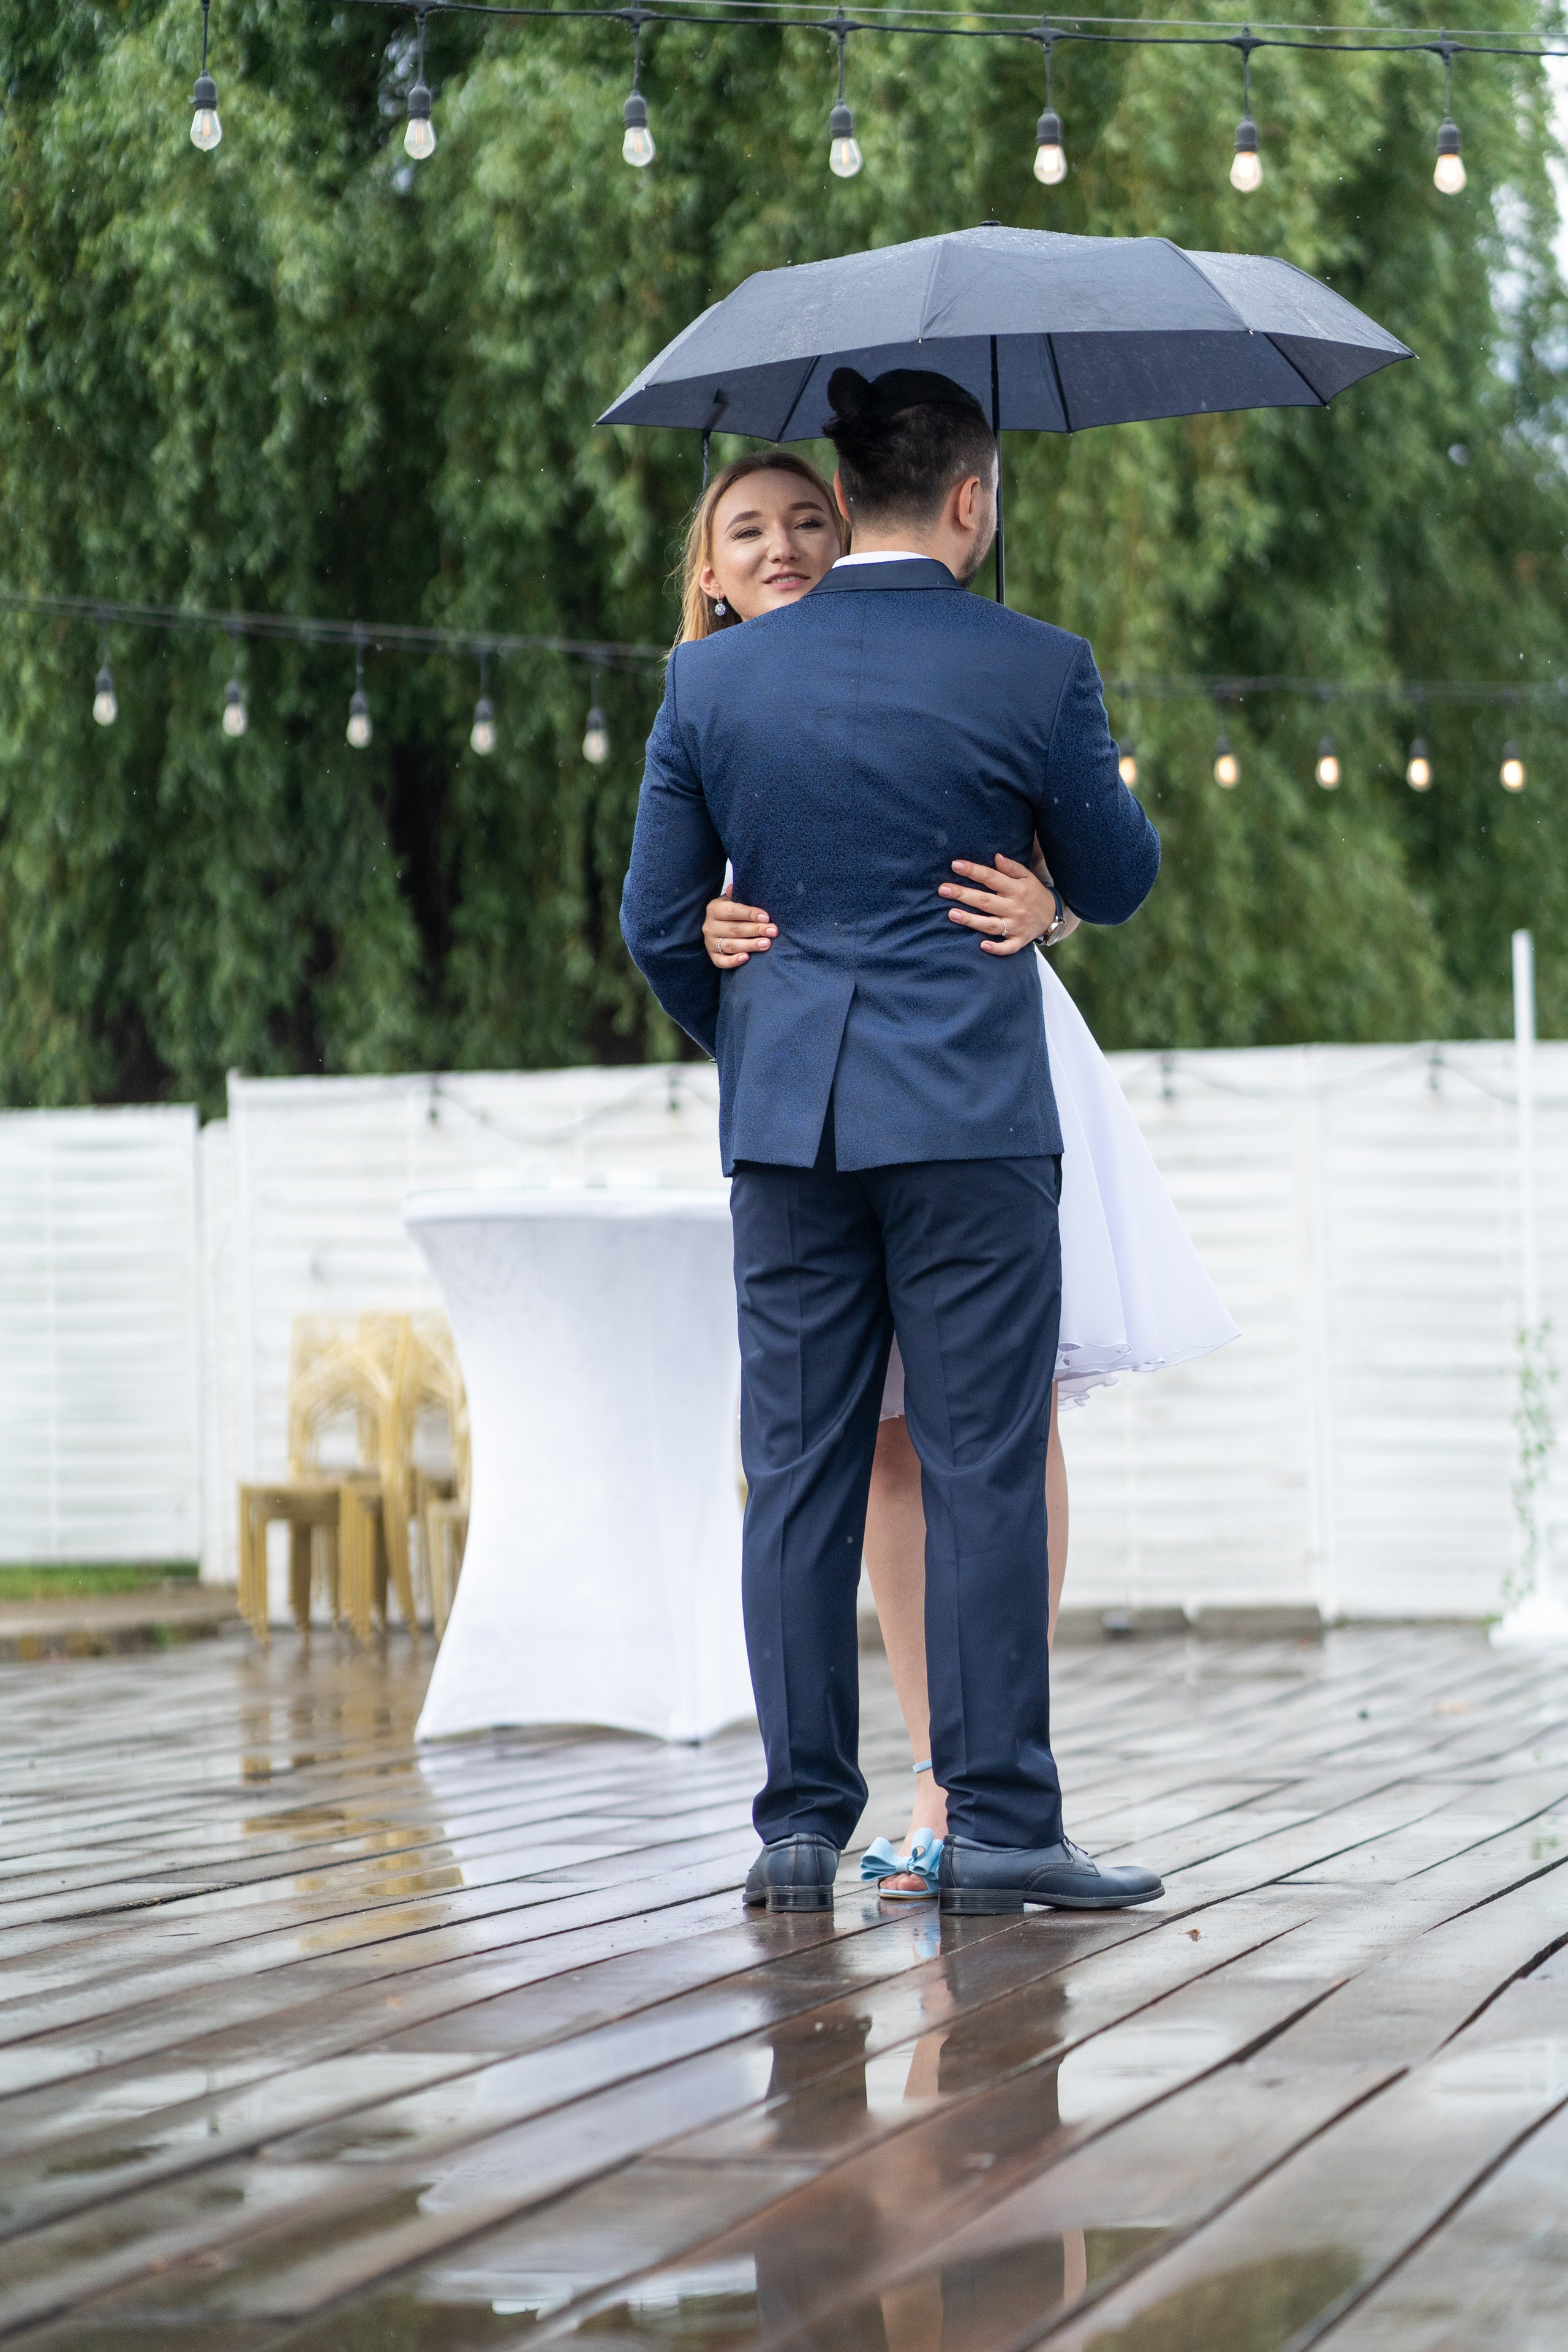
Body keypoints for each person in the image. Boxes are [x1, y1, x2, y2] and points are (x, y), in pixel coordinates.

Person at [621, 363, 1165, 1918]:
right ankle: (998, 1823)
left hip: (787, 1126)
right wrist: (1051, 891)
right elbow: (1116, 875)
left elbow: (658, 923)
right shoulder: (1037, 664)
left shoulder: (711, 688)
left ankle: (797, 1827)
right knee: (982, 1465)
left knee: (794, 1471)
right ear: (973, 500)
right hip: (972, 1122)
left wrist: (758, 1029)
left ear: (844, 501)